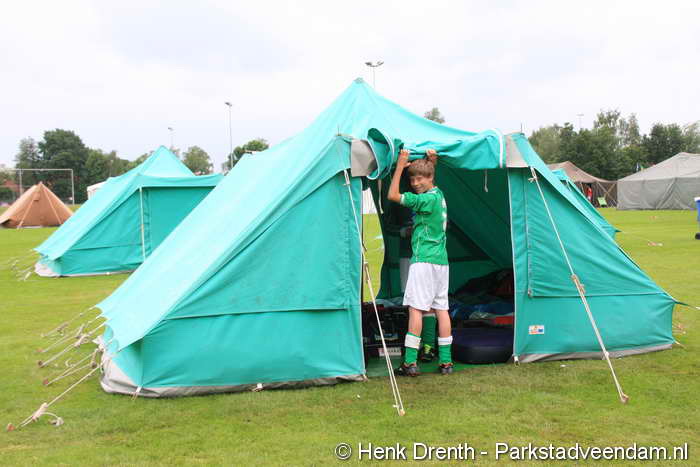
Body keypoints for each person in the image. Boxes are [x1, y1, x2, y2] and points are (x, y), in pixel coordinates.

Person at [387, 148, 453, 376]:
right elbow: (428, 178)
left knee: (415, 309)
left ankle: (410, 362)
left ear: (430, 177)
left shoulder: (424, 200)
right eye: (412, 179)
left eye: (419, 179)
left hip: (423, 260)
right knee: (441, 309)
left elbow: (393, 195)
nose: (415, 183)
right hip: (441, 262)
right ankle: (446, 362)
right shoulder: (439, 194)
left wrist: (399, 167)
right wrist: (431, 162)